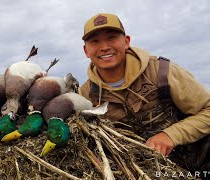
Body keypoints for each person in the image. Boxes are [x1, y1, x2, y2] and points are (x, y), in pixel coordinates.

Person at [79, 13, 210, 171]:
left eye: (112, 37)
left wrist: (172, 135)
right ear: (86, 51)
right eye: (95, 41)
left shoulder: (161, 72)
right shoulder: (85, 96)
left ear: (126, 42)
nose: (104, 46)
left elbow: (208, 110)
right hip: (141, 171)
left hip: (197, 163)